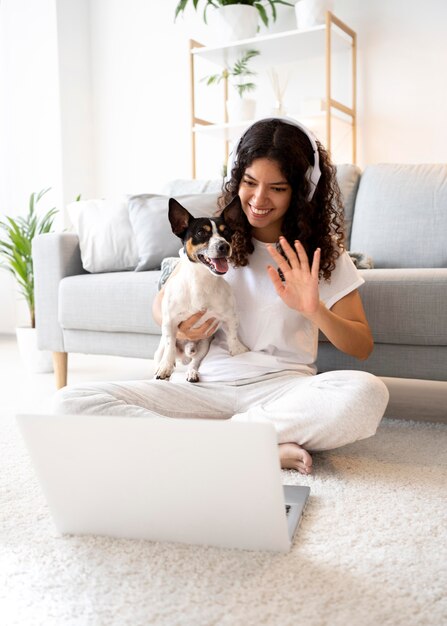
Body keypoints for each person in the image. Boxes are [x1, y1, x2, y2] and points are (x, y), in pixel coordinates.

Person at [53, 118, 389, 475]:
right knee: (69, 402)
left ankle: (210, 443)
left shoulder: (322, 255)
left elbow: (361, 345)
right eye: (249, 183)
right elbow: (161, 305)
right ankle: (252, 445)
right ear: (235, 179)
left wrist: (314, 309)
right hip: (203, 389)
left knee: (367, 393)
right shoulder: (208, 243)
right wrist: (182, 328)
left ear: (301, 191)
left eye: (276, 188)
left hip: (282, 392)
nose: (258, 200)